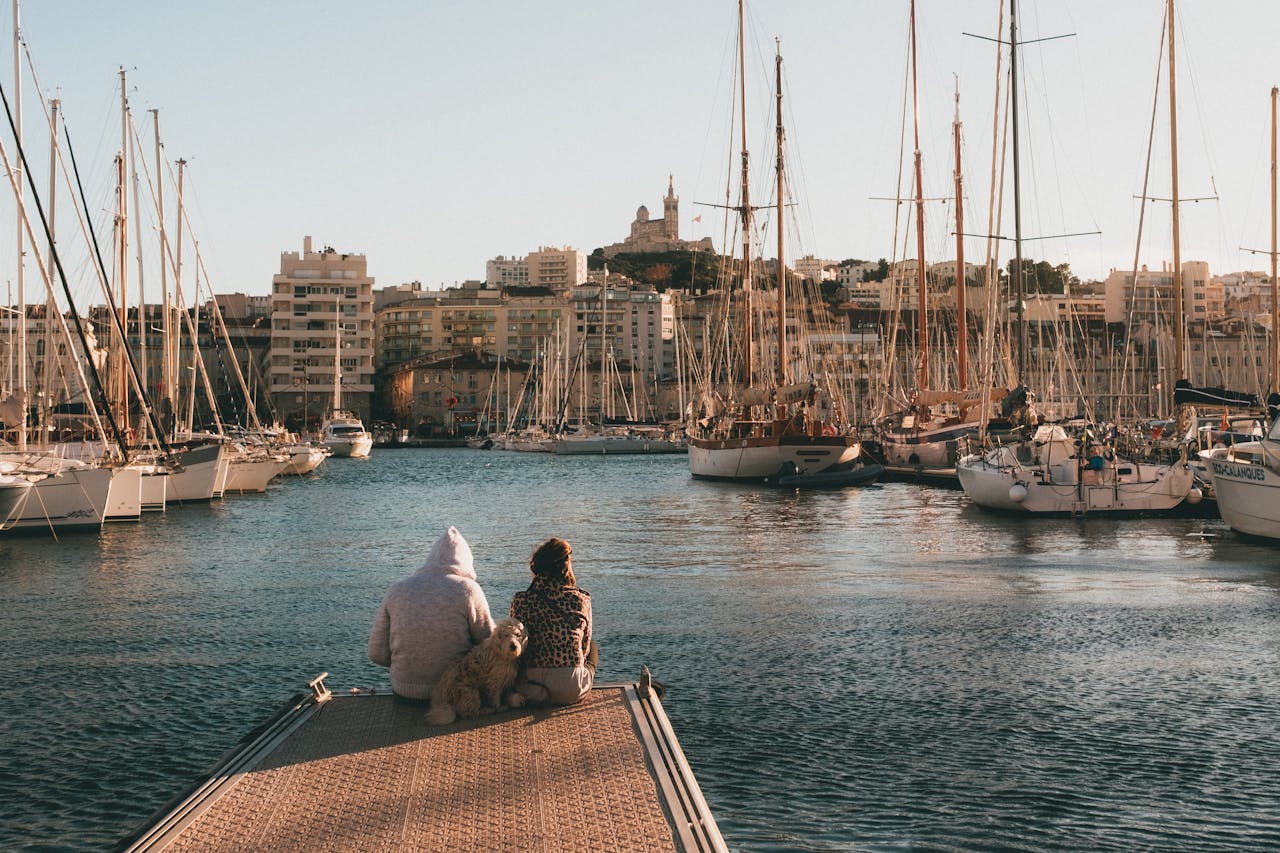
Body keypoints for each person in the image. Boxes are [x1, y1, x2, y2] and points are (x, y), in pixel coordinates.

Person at [368, 526, 495, 704]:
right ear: (467, 561)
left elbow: (376, 654)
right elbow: (491, 644)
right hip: (454, 692)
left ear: (430, 559)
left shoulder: (397, 589)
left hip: (404, 692)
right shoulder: (468, 590)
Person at [510, 537, 597, 706]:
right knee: (593, 647)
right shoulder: (581, 600)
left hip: (531, 687)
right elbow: (584, 648)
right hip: (571, 688)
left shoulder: (521, 600)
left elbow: (515, 645)